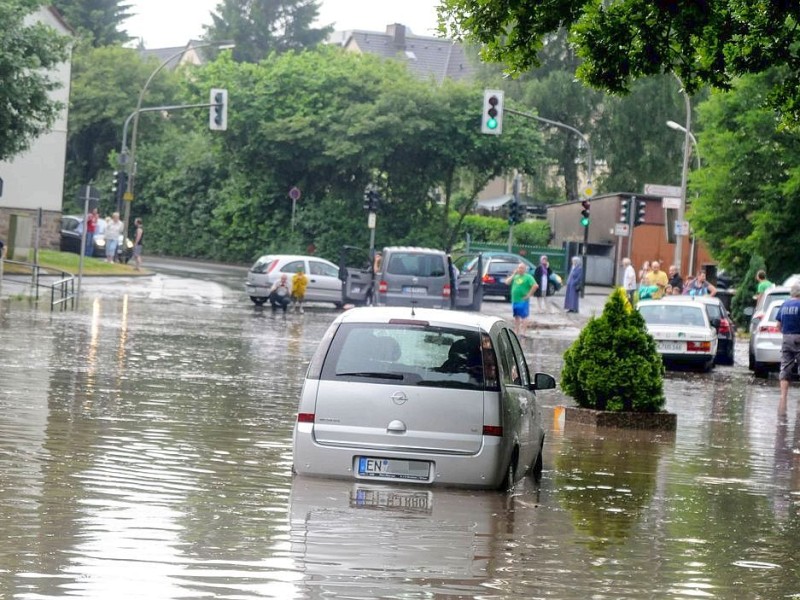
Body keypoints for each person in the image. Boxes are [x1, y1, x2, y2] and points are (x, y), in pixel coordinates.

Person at [776, 283, 800, 415]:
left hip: (786, 338)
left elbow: (778, 325)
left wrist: (786, 335)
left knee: (785, 367)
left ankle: (783, 397)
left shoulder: (784, 305)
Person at [504, 262, 538, 336]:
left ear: (525, 269)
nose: (520, 269)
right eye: (519, 268)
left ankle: (523, 333)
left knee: (524, 317)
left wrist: (529, 295)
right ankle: (516, 331)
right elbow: (507, 282)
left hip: (523, 300)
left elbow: (535, 286)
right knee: (516, 316)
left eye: (522, 268)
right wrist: (513, 274)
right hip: (515, 300)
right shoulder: (515, 276)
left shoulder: (528, 277)